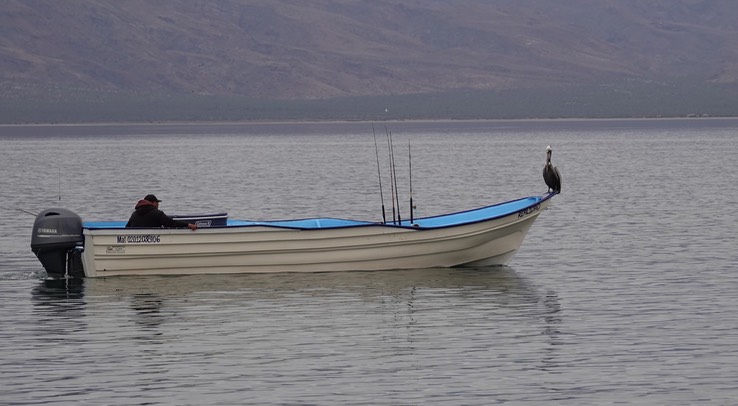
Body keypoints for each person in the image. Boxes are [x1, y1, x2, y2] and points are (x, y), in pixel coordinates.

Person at [125, 194, 197, 230]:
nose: (158, 204)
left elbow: (127, 228)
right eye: (157, 202)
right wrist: (188, 225)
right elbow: (171, 223)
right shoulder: (157, 213)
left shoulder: (134, 214)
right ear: (152, 203)